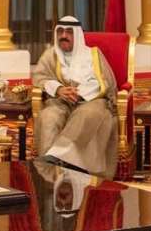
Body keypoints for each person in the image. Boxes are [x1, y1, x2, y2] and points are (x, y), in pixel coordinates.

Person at [32, 16, 118, 176]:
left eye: (69, 32)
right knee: (48, 117)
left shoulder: (93, 54)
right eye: (60, 31)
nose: (64, 35)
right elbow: (39, 77)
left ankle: (60, 156)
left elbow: (105, 81)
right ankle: (49, 175)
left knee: (87, 115)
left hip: (91, 100)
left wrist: (80, 93)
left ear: (77, 35)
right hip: (59, 101)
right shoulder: (50, 55)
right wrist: (59, 89)